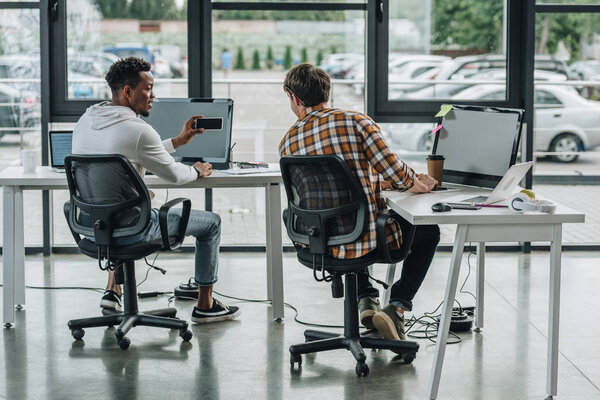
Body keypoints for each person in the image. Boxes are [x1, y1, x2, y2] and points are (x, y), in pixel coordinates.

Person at [72, 56, 240, 324]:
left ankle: (112, 289)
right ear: (128, 91)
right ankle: (205, 306)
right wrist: (197, 170)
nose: (154, 96)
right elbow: (174, 174)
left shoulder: (87, 119)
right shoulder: (139, 130)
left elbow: (135, 150)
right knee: (212, 224)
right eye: (148, 88)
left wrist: (178, 141)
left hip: (94, 227)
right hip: (134, 229)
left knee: (124, 211)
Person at [279, 63, 440, 342]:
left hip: (317, 240)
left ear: (294, 98)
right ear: (326, 91)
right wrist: (417, 182)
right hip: (364, 236)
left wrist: (378, 184)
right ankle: (397, 308)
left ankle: (367, 300)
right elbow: (396, 172)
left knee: (353, 219)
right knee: (428, 231)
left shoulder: (287, 142)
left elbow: (329, 191)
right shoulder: (356, 121)